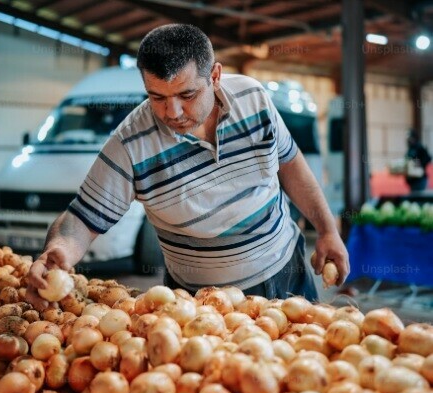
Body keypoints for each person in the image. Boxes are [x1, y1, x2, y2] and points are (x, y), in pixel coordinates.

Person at [26, 24, 349, 311]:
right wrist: (59, 250)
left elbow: (290, 163)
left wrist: (327, 230)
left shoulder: (254, 98)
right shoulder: (130, 143)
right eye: (157, 97)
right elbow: (81, 218)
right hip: (197, 306)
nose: (173, 111)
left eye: (187, 94)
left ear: (215, 76)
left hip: (286, 272)